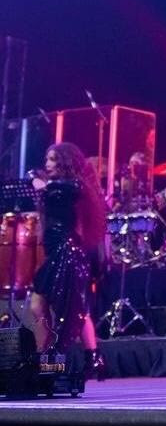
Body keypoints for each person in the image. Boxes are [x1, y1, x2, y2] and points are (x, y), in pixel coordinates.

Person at [26, 142, 107, 378]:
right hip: (55, 253)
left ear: (65, 162)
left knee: (72, 308)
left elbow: (64, 189)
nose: (47, 164)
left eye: (52, 159)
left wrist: (44, 185)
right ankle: (62, 355)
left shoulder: (73, 186)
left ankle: (62, 357)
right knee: (43, 305)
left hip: (67, 253)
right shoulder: (55, 188)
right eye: (47, 159)